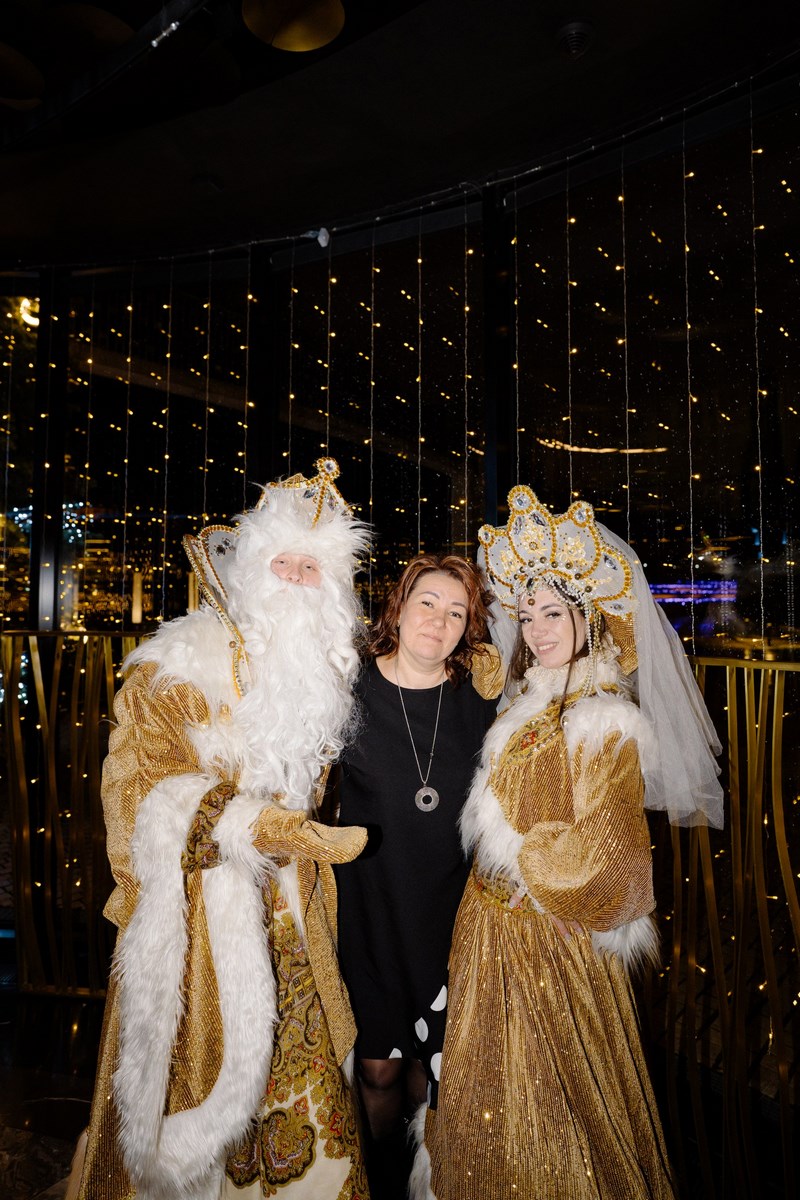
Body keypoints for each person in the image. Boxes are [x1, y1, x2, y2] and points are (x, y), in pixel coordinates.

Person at [71, 458, 373, 1200]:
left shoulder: (321, 676)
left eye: (312, 568)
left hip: (295, 916)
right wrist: (251, 825)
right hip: (202, 922)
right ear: (252, 568)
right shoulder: (177, 667)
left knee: (305, 1088)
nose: (296, 579)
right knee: (193, 1087)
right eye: (283, 563)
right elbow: (135, 792)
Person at [415, 487, 724, 1200]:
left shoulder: (606, 718)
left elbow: (614, 855)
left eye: (553, 613)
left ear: (590, 618)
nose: (537, 629)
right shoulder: (532, 698)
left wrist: (540, 878)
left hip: (548, 943)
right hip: (488, 930)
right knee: (481, 1099)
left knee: (552, 1115)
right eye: (527, 616)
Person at [334, 553, 501, 1195]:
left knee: (429, 1068)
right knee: (376, 1068)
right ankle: (380, 1177)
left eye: (456, 612)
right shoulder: (345, 690)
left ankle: (415, 1180)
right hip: (368, 909)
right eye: (427, 603)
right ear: (398, 609)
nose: (439, 620)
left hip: (449, 913)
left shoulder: (481, 701)